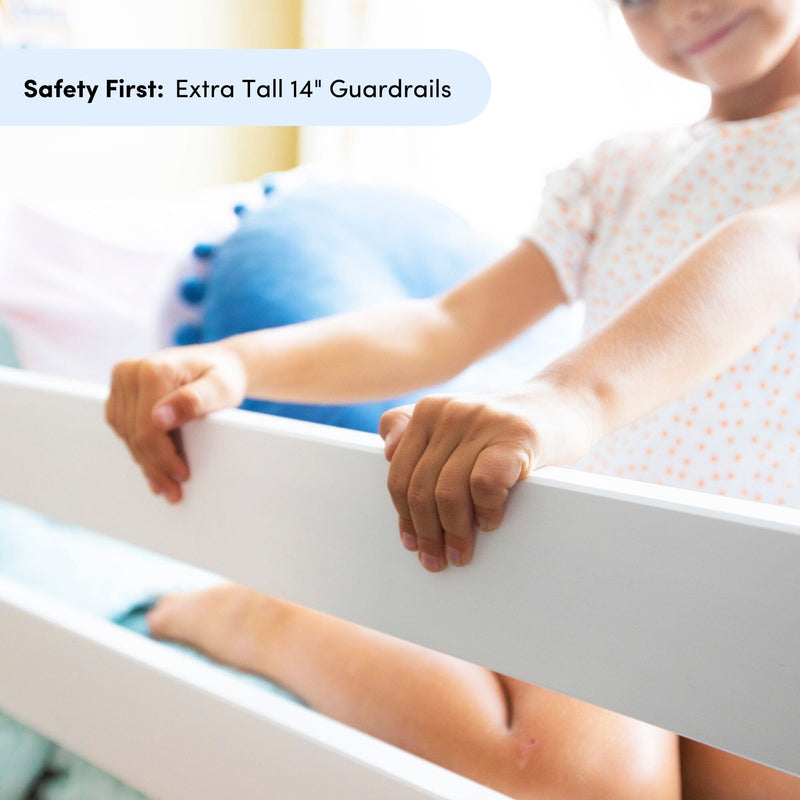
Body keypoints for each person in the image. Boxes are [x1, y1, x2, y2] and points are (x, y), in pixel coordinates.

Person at [106, 1, 800, 798]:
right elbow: (447, 325)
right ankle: (254, 614)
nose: (682, 9)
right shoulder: (623, 172)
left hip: (762, 593)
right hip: (604, 558)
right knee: (593, 780)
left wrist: (567, 396)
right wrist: (231, 361)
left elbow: (777, 245)